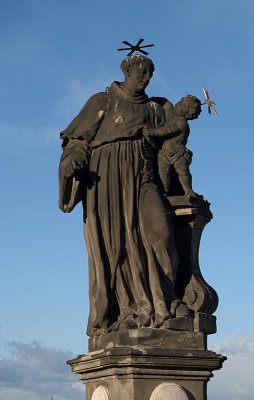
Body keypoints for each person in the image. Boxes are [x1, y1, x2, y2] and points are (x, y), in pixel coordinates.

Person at [59, 55, 191, 337]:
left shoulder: (157, 107)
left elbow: (174, 138)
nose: (146, 78)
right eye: (142, 72)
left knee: (161, 230)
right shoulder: (102, 101)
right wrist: (74, 160)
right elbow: (77, 141)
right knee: (117, 242)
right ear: (128, 70)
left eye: (150, 74)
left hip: (144, 174)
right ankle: (129, 310)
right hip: (107, 178)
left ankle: (165, 300)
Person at [144, 95, 201, 196]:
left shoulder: (182, 123)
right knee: (163, 173)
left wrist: (152, 132)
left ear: (188, 114)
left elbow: (167, 131)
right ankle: (164, 191)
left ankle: (188, 189)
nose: (179, 105)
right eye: (180, 102)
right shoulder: (170, 112)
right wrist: (151, 100)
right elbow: (165, 102)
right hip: (164, 152)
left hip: (178, 152)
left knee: (183, 172)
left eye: (184, 106)